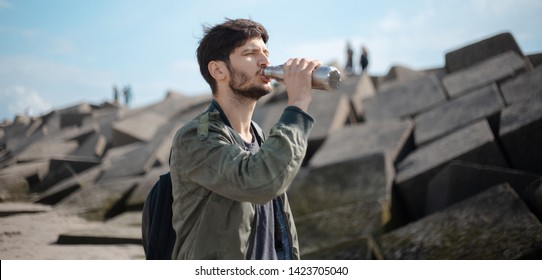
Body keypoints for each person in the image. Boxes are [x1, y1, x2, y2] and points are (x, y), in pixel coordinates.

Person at [169, 18, 320, 260]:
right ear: (218, 70)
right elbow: (259, 181)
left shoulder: (258, 134)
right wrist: (298, 105)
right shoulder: (197, 136)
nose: (265, 61)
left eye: (265, 52)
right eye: (250, 53)